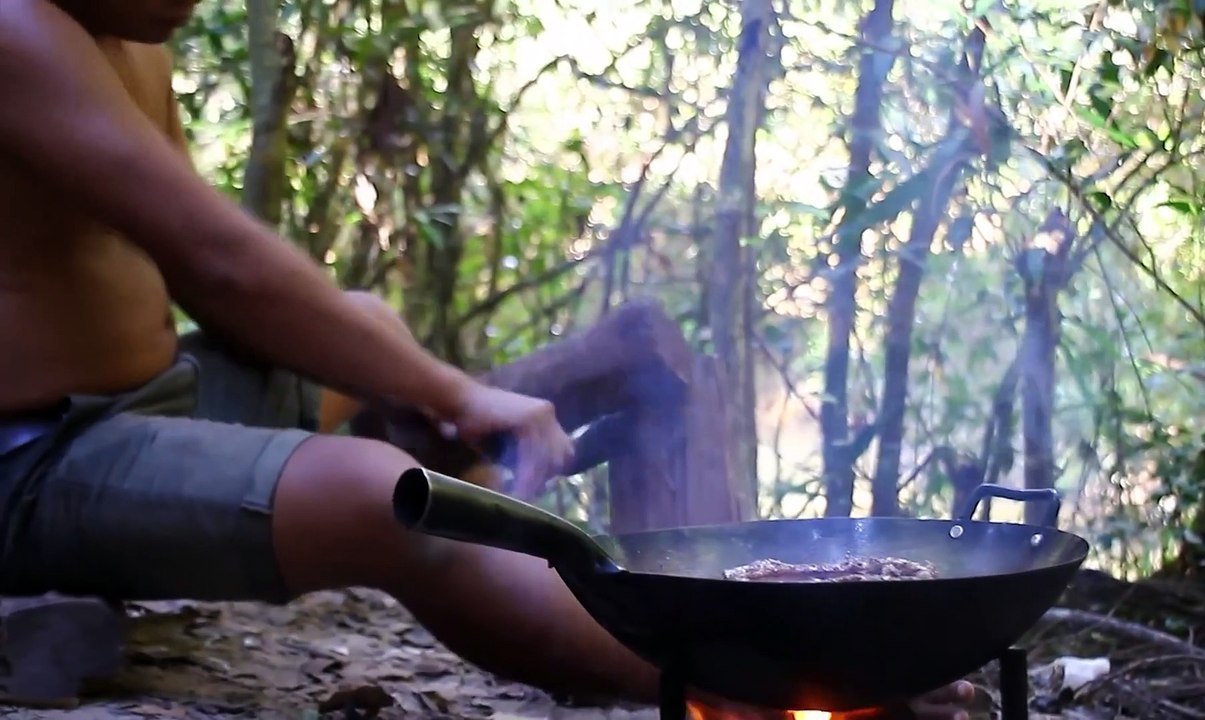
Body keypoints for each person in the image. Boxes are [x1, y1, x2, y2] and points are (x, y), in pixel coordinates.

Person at [0, 1, 975, 718]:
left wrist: (397, 380)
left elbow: (195, 284)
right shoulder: (19, 30)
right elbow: (219, 265)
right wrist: (447, 391)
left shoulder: (124, 38)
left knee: (365, 327)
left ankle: (686, 600)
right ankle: (744, 686)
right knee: (384, 497)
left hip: (149, 399)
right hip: (32, 462)